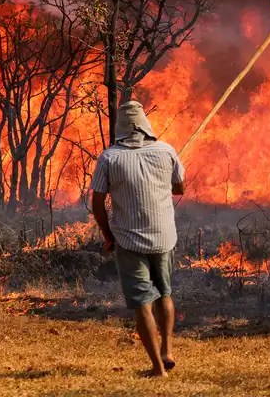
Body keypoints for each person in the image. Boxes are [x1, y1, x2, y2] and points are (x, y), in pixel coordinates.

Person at [91, 100, 185, 377]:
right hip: (163, 237)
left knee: (142, 301)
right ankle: (167, 350)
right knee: (164, 293)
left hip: (129, 240)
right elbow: (179, 188)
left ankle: (158, 368)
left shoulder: (109, 157)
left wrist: (108, 235)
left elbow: (97, 203)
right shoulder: (166, 150)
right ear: (146, 125)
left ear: (120, 128)